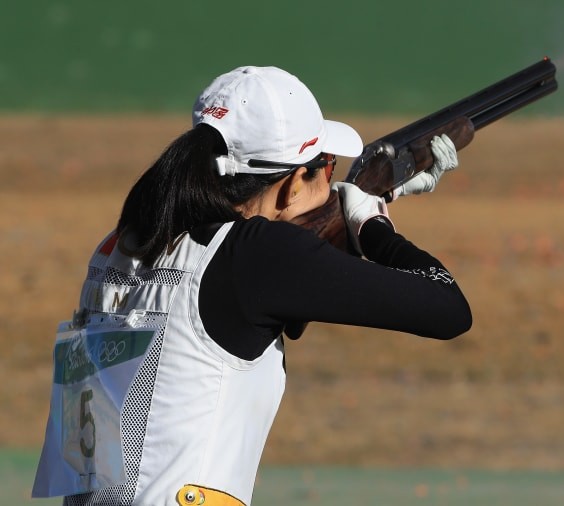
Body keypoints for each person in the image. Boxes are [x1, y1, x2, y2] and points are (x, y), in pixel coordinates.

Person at [32, 65, 472, 506]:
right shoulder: (256, 255)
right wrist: (372, 223)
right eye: (326, 167)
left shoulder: (119, 246)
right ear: (293, 184)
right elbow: (448, 308)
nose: (333, 179)